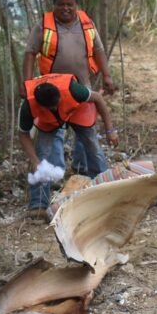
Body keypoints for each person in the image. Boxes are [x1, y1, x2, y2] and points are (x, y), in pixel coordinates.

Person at [22, 0, 115, 179]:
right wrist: (27, 82)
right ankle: (54, 177)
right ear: (54, 6)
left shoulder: (87, 25)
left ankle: (91, 175)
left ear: (76, 5)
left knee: (86, 131)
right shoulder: (43, 26)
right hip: (51, 92)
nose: (65, 8)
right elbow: (30, 53)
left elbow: (98, 50)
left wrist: (107, 75)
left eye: (70, 5)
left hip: (80, 87)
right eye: (61, 4)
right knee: (52, 134)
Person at [18, 73, 118, 218]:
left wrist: (110, 130)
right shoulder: (29, 105)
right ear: (41, 106)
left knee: (93, 146)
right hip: (49, 121)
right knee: (42, 154)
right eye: (51, 107)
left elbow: (98, 98)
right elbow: (23, 134)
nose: (54, 108)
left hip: (76, 109)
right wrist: (34, 160)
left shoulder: (73, 90)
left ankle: (104, 192)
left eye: (56, 104)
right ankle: (38, 204)